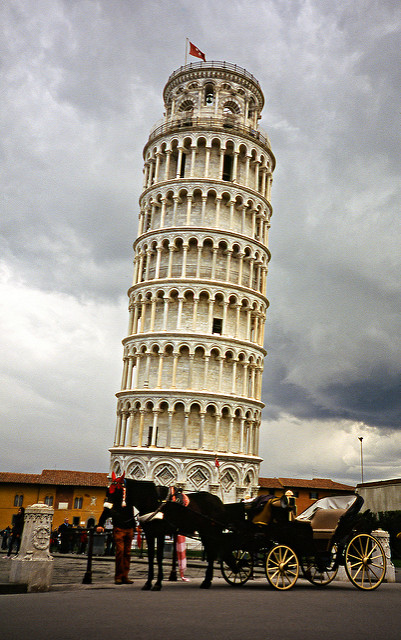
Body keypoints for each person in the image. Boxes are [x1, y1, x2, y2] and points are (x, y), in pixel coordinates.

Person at [96, 472, 135, 584]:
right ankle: (118, 576)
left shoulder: (129, 497)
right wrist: (100, 524)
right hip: (119, 527)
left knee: (127, 553)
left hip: (129, 527)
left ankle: (124, 576)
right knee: (120, 551)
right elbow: (106, 511)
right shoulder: (114, 497)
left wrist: (135, 526)